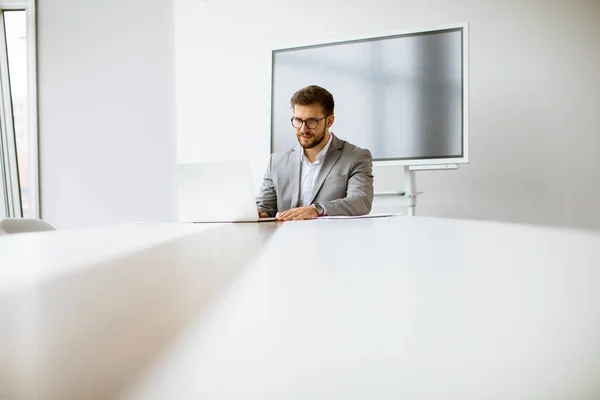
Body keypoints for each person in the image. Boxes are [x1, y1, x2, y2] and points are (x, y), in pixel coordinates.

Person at [256, 85, 374, 221]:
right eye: (298, 120)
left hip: (332, 239)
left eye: (312, 121)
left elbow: (360, 202)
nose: (303, 129)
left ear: (329, 121)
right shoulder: (276, 161)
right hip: (286, 239)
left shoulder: (355, 157)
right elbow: (265, 206)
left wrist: (317, 209)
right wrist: (257, 212)